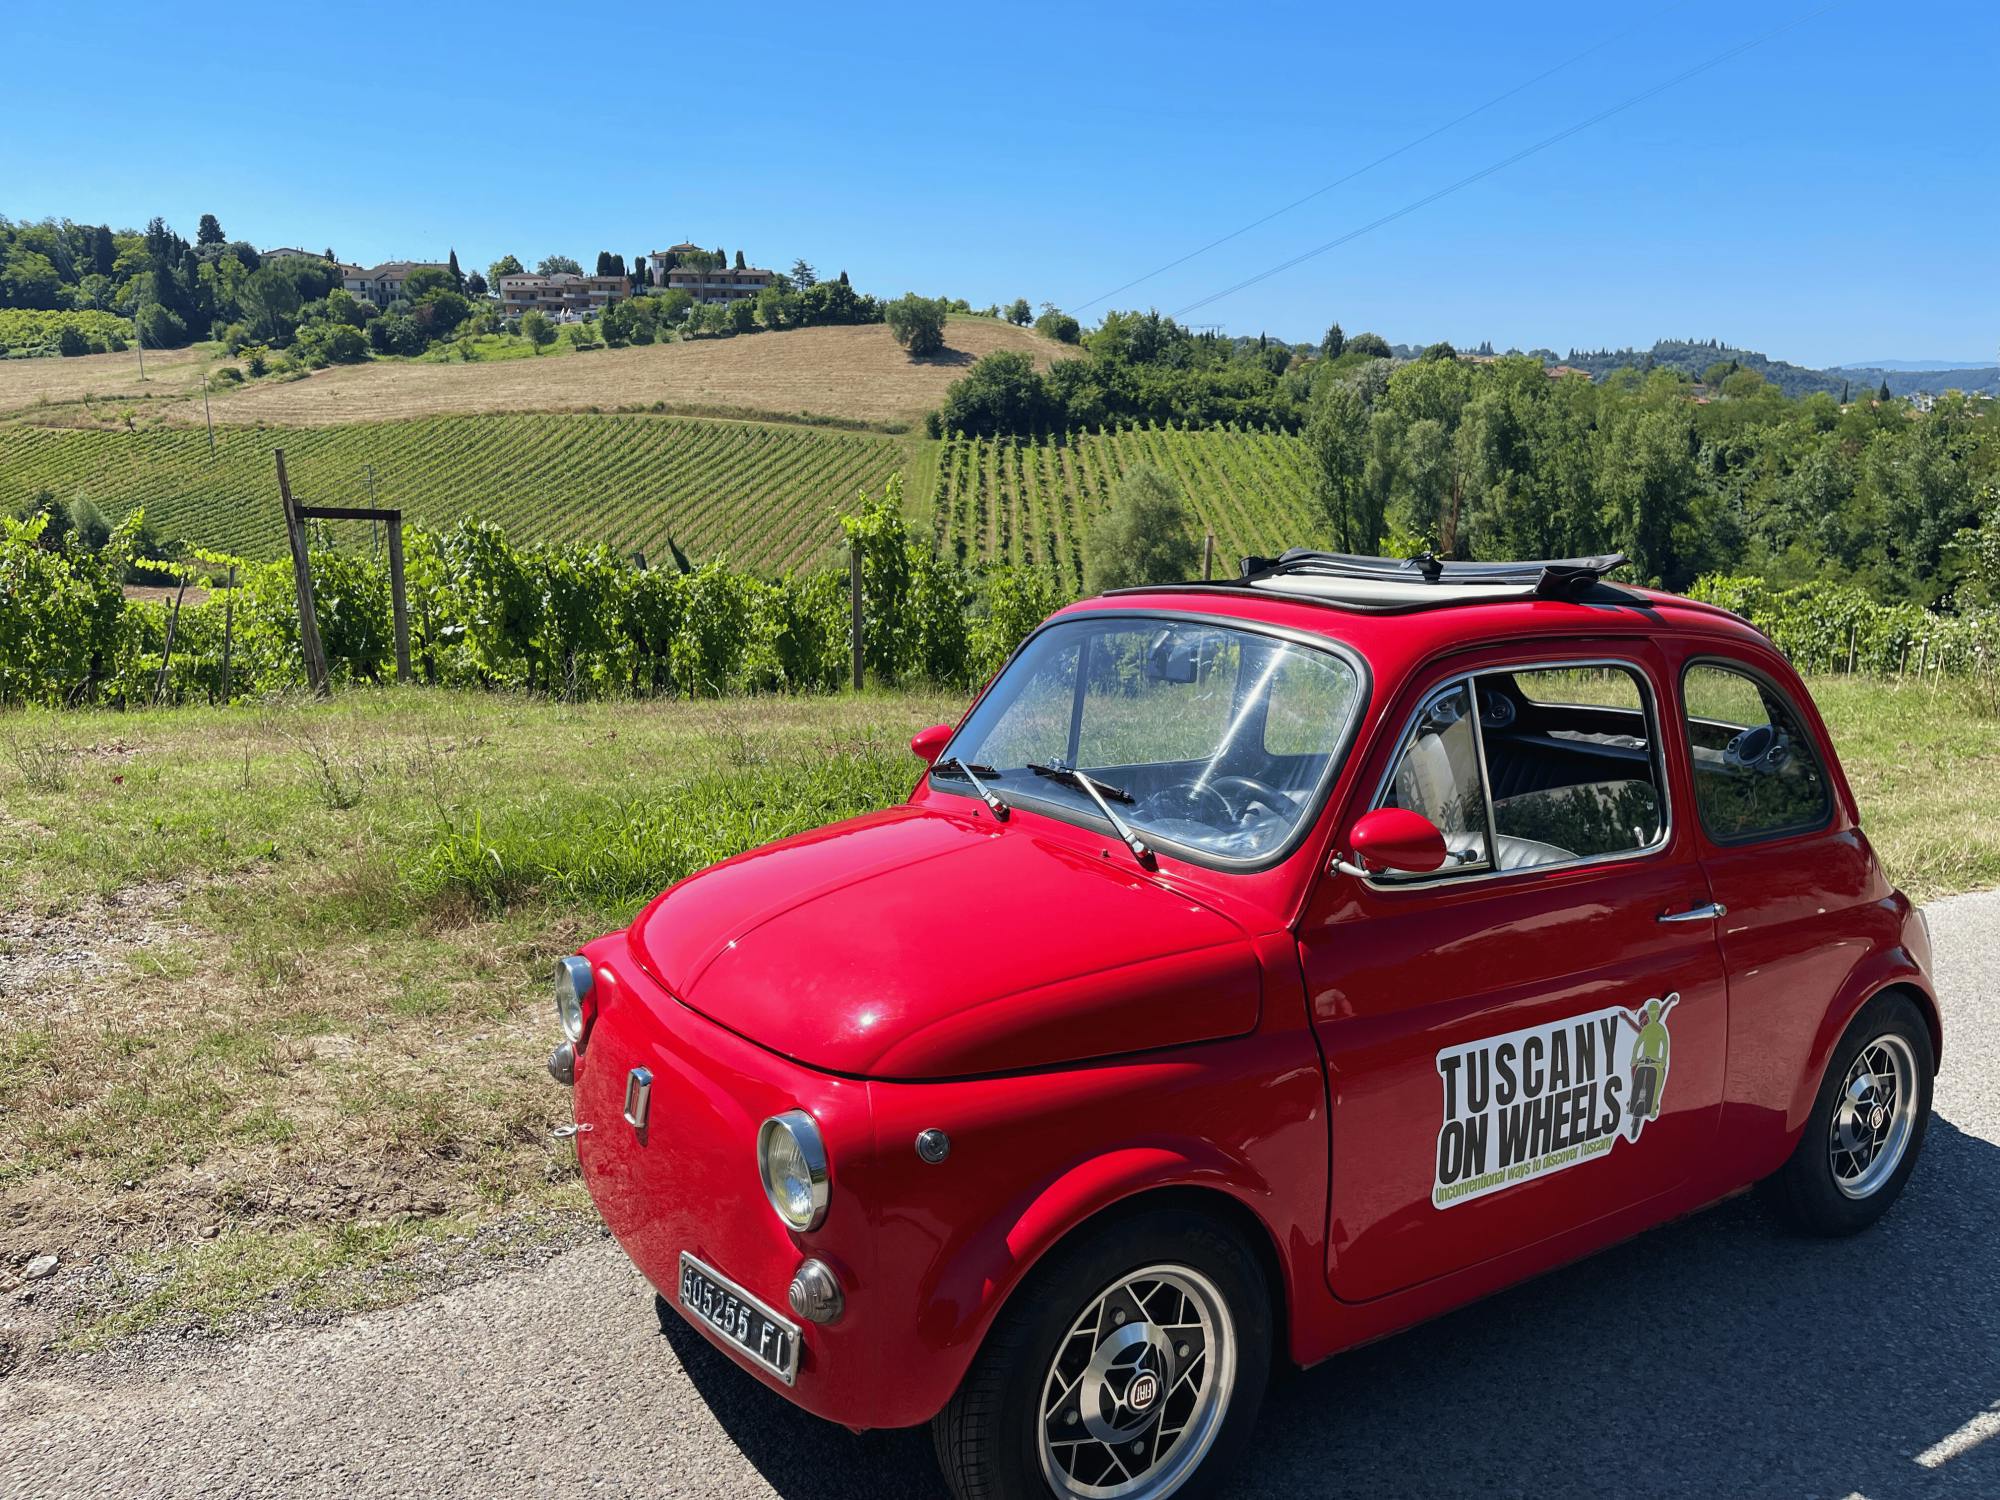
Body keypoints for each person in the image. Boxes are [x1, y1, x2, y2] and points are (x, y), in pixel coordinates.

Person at [1627, 996, 1674, 1141]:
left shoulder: (1660, 1028)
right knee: (1634, 1069)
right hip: (1644, 1060)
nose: (1644, 1023)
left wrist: (1662, 1061)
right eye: (1642, 1022)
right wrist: (1634, 1057)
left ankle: (1654, 1105)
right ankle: (1633, 1097)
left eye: (1653, 1014)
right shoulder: (1645, 1030)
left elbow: (1665, 1046)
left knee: (1661, 1074)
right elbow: (1637, 1044)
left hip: (1656, 1062)